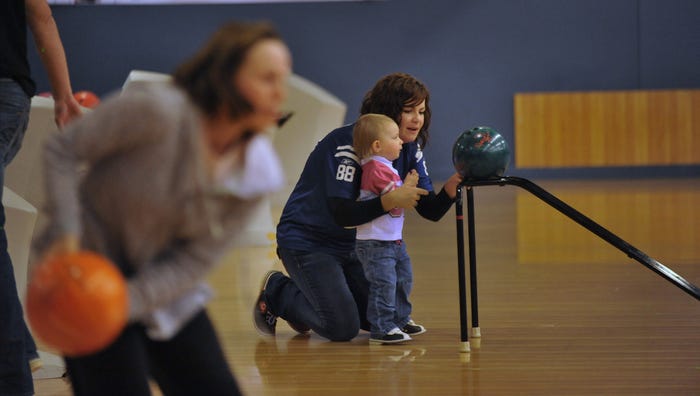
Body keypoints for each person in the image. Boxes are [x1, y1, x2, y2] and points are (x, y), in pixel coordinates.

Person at [32, 21, 291, 396]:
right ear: (225, 78)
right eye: (267, 78)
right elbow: (62, 150)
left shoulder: (257, 171)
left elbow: (195, 261)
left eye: (282, 79)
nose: (280, 94)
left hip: (166, 290)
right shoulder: (157, 112)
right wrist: (66, 232)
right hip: (82, 279)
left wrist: (126, 299)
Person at [254, 72, 463, 342]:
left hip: (356, 245)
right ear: (387, 111)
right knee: (342, 328)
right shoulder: (345, 144)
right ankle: (279, 291)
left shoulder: (409, 148)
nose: (417, 119)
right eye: (408, 111)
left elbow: (430, 210)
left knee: (378, 316)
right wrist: (390, 200)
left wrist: (455, 183)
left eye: (421, 111)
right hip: (308, 241)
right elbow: (342, 214)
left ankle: (316, 296)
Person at [1, 1, 82, 395]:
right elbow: (40, 16)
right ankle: (24, 355)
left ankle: (15, 378)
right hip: (11, 99)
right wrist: (64, 96)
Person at [352, 113, 423, 344]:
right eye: (395, 137)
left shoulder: (386, 167)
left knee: (403, 278)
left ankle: (400, 319)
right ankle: (382, 327)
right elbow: (395, 201)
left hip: (392, 240)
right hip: (375, 242)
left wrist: (405, 187)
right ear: (377, 145)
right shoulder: (374, 168)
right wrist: (409, 187)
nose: (401, 141)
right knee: (384, 284)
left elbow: (397, 195)